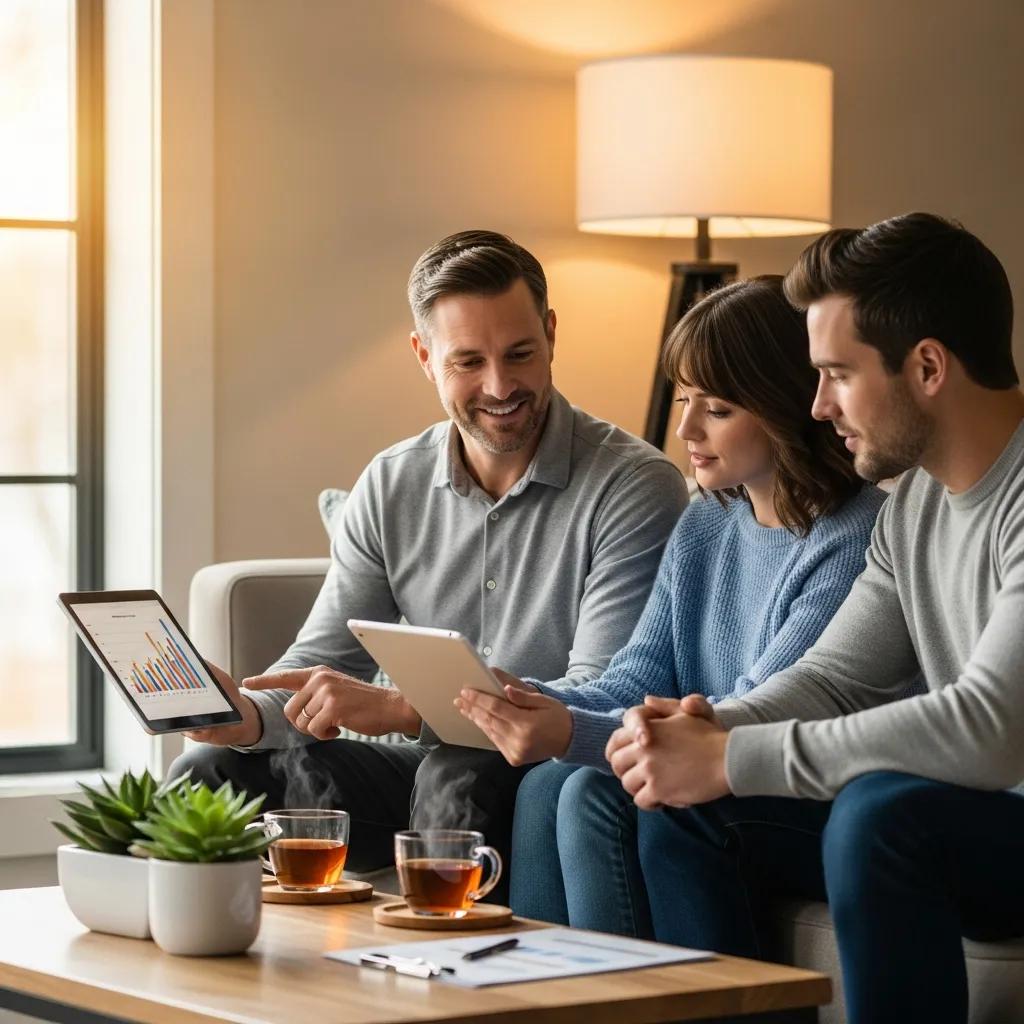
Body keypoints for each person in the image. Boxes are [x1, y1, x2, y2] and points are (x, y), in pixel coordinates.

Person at [170, 230, 688, 900]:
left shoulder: (634, 486)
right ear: (424, 356)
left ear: (552, 334)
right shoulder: (392, 482)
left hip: (542, 773)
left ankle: (439, 961)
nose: (500, 386)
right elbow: (322, 662)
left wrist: (405, 709)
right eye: (468, 361)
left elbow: (602, 692)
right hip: (413, 771)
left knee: (458, 768)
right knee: (207, 773)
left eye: (520, 354)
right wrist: (246, 716)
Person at [604, 213, 1024, 1024]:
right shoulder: (916, 505)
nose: (820, 405)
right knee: (687, 810)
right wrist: (706, 730)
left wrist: (735, 756)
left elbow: (991, 726)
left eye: (836, 374)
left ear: (927, 367)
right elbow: (835, 678)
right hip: (974, 821)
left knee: (881, 815)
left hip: (996, 817)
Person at [456, 275, 886, 932]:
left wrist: (571, 732)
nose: (685, 427)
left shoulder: (853, 537)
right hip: (711, 762)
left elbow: (757, 712)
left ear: (788, 405)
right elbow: (638, 676)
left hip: (801, 787)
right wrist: (530, 702)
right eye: (685, 399)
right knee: (544, 783)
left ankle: (632, 988)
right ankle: (540, 986)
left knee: (594, 791)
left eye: (717, 409)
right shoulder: (707, 519)